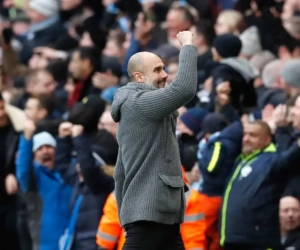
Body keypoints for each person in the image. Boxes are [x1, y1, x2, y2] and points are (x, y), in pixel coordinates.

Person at [111, 31, 197, 249]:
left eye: (165, 68)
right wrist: (187, 45)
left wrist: (126, 215)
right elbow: (184, 89)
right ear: (139, 77)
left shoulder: (136, 106)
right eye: (157, 70)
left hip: (161, 217)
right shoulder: (139, 103)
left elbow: (120, 172)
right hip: (148, 216)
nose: (165, 74)